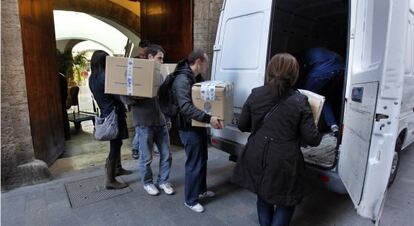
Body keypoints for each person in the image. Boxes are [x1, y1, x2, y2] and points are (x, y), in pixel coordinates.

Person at [231, 53, 322, 226]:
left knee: (263, 195)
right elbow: (312, 139)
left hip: (256, 153)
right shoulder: (300, 100)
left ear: (270, 71)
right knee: (285, 201)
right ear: (294, 75)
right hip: (284, 160)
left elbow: (242, 125)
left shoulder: (256, 94)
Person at [171, 49, 222, 213]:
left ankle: (201, 190)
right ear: (199, 62)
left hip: (198, 125)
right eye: (206, 62)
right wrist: (208, 118)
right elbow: (185, 107)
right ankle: (190, 200)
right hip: (188, 128)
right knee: (194, 162)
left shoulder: (196, 78)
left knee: (202, 159)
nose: (208, 65)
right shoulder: (182, 79)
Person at [129, 44, 174, 196]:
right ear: (149, 57)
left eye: (162, 59)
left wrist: (167, 117)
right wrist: (132, 100)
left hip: (160, 121)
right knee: (146, 157)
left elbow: (162, 99)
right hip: (144, 122)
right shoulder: (136, 73)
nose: (162, 61)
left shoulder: (159, 75)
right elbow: (122, 92)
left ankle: (163, 181)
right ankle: (148, 183)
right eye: (159, 58)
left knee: (166, 154)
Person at [89, 50, 132, 190]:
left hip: (106, 112)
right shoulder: (104, 77)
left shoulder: (92, 78)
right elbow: (118, 95)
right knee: (115, 144)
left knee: (117, 142)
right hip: (114, 113)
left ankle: (118, 168)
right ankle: (110, 179)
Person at [302, 47, 344, 136]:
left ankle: (306, 130)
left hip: (323, 71)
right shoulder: (322, 51)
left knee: (303, 96)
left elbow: (304, 70)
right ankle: (334, 127)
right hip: (340, 70)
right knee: (326, 99)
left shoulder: (305, 55)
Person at [131, 39, 151, 159]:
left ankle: (139, 147)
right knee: (140, 127)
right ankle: (135, 147)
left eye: (144, 55)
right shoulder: (134, 62)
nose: (142, 57)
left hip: (150, 101)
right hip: (138, 101)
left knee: (144, 127)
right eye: (140, 54)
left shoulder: (153, 62)